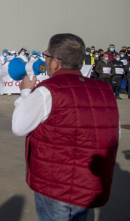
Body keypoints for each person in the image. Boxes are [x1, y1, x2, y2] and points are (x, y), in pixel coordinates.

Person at [12, 33, 120, 221]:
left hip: (55, 187)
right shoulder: (105, 91)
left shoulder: (47, 90)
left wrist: (25, 93)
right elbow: (114, 135)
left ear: (55, 63)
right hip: (87, 186)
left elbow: (19, 127)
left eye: (46, 56)